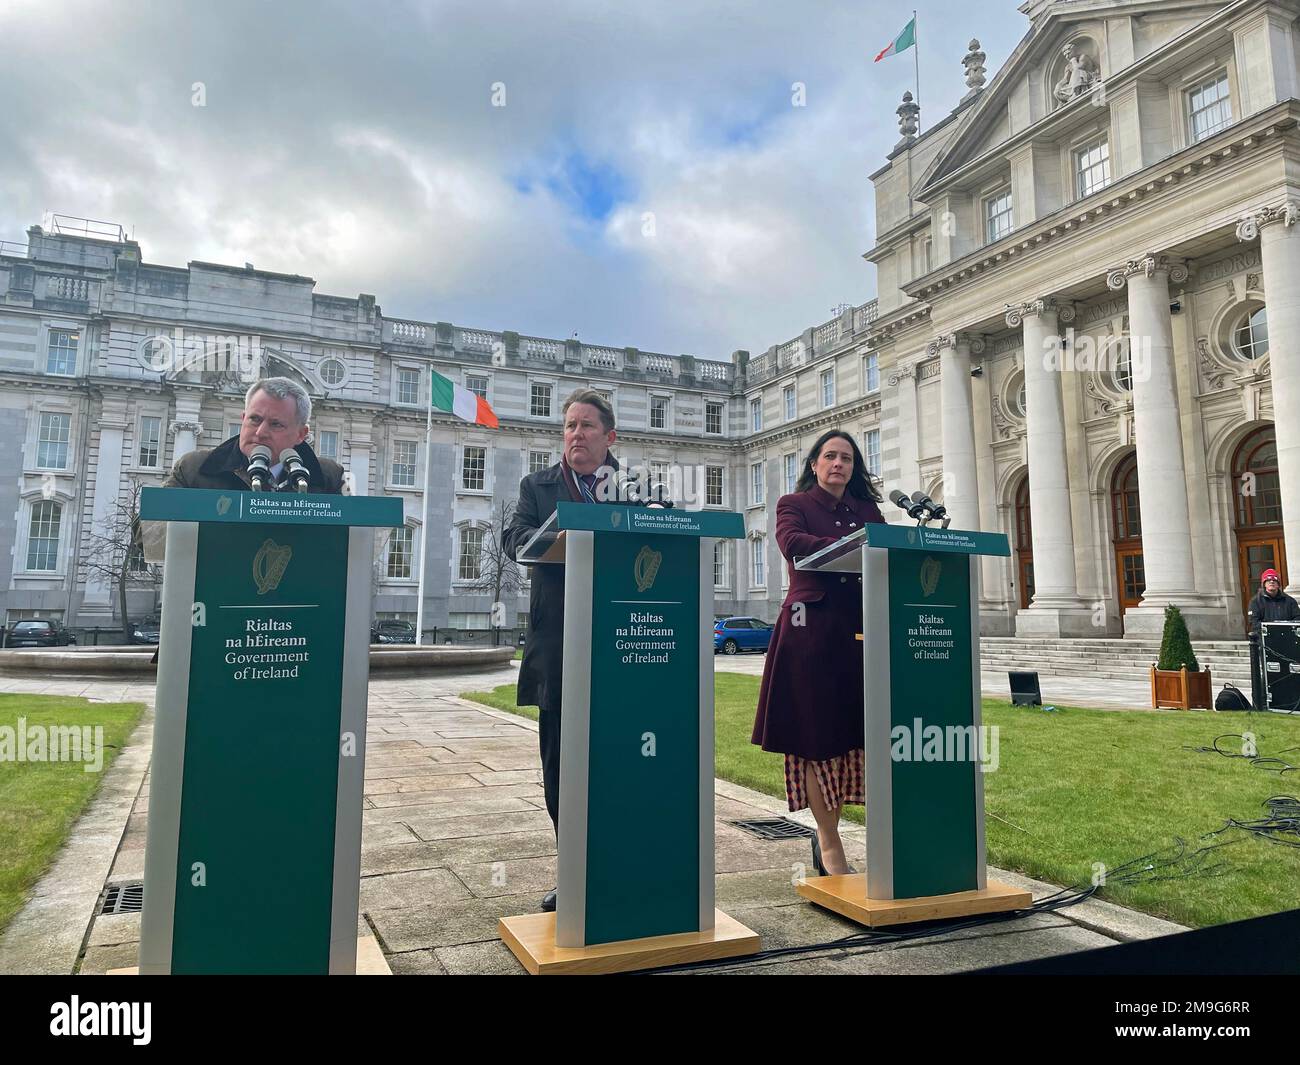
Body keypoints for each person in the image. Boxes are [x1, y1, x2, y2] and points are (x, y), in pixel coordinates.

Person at [502, 388, 664, 912]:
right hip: (561, 645)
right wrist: (552, 535)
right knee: (562, 765)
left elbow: (662, 537)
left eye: (586, 426)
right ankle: (573, 866)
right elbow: (516, 540)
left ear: (610, 436)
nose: (575, 434)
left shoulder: (637, 486)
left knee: (622, 759)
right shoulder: (538, 485)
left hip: (625, 645)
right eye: (569, 425)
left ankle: (626, 861)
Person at [751, 430, 885, 877]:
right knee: (814, 740)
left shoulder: (867, 511)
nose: (838, 464)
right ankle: (829, 843)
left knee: (851, 741)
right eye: (830, 456)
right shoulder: (794, 504)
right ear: (814, 463)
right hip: (810, 635)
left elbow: (888, 552)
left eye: (847, 458)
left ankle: (838, 832)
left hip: (861, 632)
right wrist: (850, 547)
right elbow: (793, 544)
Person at [1247, 568, 1300, 710]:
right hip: (1266, 646)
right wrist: (1272, 631)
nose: (1272, 583)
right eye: (1269, 581)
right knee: (1268, 674)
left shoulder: (1289, 601)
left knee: (1292, 674)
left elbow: (1297, 619)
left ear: (1278, 584)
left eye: (1274, 581)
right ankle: (1265, 703)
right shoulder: (1256, 602)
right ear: (1264, 584)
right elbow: (1254, 622)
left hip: (1288, 646)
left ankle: (1291, 702)